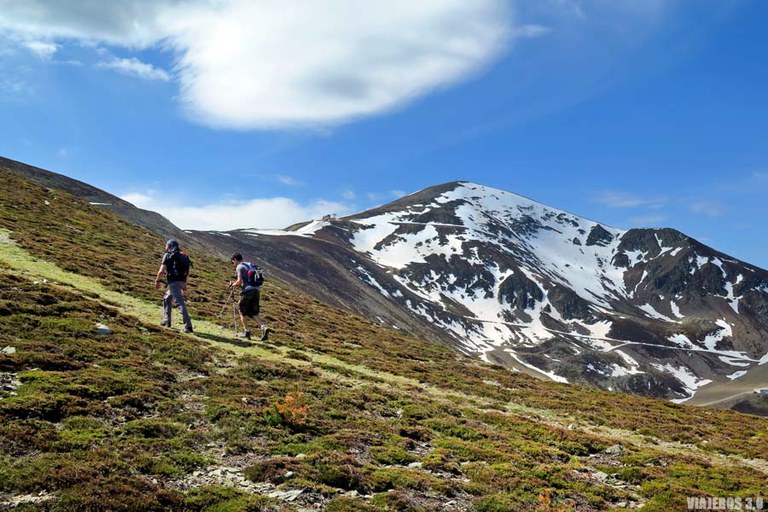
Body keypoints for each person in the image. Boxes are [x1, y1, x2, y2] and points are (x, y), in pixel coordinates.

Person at [154, 239, 193, 333]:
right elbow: (187, 273)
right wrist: (185, 284)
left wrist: (157, 281)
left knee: (180, 303)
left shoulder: (167, 255)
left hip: (173, 282)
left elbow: (161, 271)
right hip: (181, 281)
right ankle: (167, 320)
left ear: (169, 246)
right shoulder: (183, 255)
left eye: (166, 245)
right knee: (167, 298)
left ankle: (188, 327)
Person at [230, 252, 268, 341]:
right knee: (254, 312)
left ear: (235, 259)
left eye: (233, 262)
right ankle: (264, 327)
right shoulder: (250, 265)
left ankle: (246, 332)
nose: (233, 264)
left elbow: (239, 282)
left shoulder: (239, 267)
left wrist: (233, 285)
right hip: (257, 290)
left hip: (248, 291)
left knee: (242, 310)